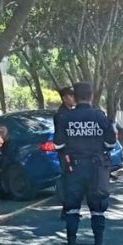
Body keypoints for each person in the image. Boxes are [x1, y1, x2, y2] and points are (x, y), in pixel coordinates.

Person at [53, 82, 116, 245]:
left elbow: (58, 144)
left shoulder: (66, 117)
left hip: (74, 168)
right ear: (91, 96)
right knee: (98, 209)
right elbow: (111, 143)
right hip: (97, 169)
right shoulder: (99, 116)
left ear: (75, 96)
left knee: (72, 208)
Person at [54, 86, 76, 219]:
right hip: (66, 152)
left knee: (72, 179)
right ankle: (66, 209)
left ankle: (70, 208)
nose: (74, 98)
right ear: (65, 98)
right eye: (71, 96)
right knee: (68, 179)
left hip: (71, 151)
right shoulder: (62, 114)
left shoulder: (69, 112)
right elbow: (62, 136)